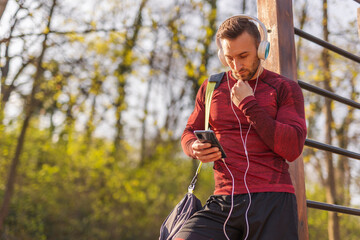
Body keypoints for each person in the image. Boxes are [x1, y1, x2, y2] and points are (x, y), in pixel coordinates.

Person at [174, 15, 307, 240]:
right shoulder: (211, 87)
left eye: (243, 56)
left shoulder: (285, 88)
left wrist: (249, 104)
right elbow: (188, 132)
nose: (236, 66)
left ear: (261, 49)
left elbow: (292, 147)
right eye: (229, 58)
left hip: (273, 202)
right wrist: (194, 147)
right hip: (224, 202)